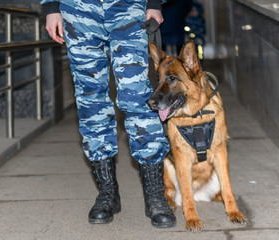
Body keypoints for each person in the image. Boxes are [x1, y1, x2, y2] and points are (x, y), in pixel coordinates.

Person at [39, 0, 176, 228]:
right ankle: (107, 194)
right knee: (90, 100)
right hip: (78, 9)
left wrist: (153, 2)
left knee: (138, 96)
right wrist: (51, 7)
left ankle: (155, 195)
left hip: (129, 7)